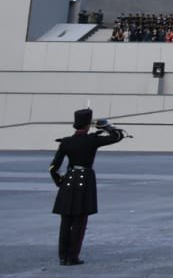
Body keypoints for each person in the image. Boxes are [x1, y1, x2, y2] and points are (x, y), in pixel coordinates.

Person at [49, 107, 125, 266]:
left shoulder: (66, 142)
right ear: (88, 125)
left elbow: (53, 168)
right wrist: (106, 126)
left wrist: (60, 182)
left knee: (66, 220)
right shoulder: (91, 140)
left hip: (68, 181)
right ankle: (73, 256)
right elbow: (117, 136)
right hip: (84, 181)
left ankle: (63, 256)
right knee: (79, 220)